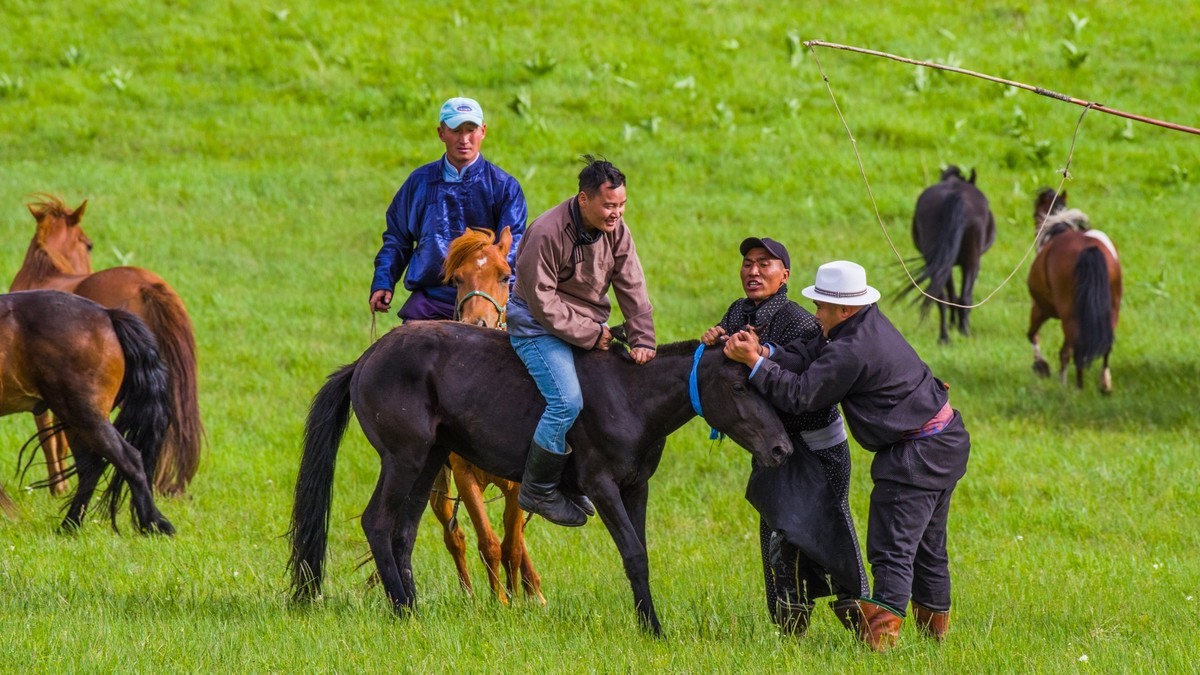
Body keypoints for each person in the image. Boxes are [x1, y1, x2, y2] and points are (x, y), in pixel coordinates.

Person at [724, 260, 970, 651]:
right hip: (943, 442)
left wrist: (753, 364)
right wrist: (765, 351)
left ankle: (879, 649)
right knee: (928, 549)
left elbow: (800, 395)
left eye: (821, 305)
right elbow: (810, 354)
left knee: (892, 549)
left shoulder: (852, 349)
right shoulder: (862, 323)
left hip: (917, 454)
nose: (816, 313)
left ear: (843, 309)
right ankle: (933, 646)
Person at [701, 238, 868, 636]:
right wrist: (714, 344)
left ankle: (867, 626)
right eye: (747, 263)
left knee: (830, 529)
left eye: (765, 264)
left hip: (816, 445)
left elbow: (807, 390)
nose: (753, 271)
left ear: (785, 275)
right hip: (771, 446)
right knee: (777, 532)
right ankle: (791, 632)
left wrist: (758, 356)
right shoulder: (738, 312)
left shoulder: (801, 321)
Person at [507, 155, 656, 527]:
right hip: (536, 326)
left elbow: (632, 283)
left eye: (621, 204)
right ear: (584, 199)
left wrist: (643, 339)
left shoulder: (615, 230)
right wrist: (592, 334)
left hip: (586, 324)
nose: (616, 213)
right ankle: (538, 489)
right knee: (567, 401)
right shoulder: (547, 232)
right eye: (609, 205)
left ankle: (573, 480)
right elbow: (543, 304)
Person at [370, 97, 527, 321]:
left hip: (487, 299)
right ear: (441, 133)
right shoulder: (419, 183)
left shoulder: (504, 187)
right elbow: (397, 238)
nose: (464, 139)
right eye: (455, 130)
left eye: (471, 130)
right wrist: (383, 282)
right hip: (432, 299)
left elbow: (513, 246)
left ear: (483, 131)